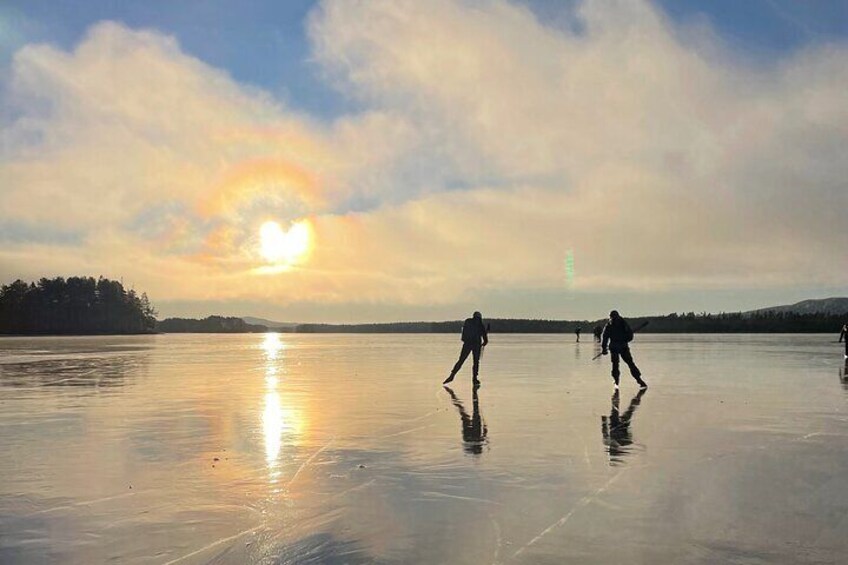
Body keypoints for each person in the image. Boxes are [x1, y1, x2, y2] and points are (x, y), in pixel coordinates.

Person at [601, 310, 646, 389]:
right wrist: (604, 348)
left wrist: (604, 348)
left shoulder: (612, 324)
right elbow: (629, 336)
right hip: (620, 346)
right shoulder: (620, 323)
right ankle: (638, 380)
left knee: (619, 364)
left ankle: (619, 381)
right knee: (628, 364)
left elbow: (605, 337)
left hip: (618, 347)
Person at [444, 311, 488, 386]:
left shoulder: (468, 321)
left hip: (467, 344)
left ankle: (452, 375)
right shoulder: (480, 324)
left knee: (461, 360)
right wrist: (484, 342)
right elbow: (485, 338)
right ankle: (474, 379)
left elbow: (463, 332)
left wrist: (465, 340)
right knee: (476, 362)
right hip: (476, 345)